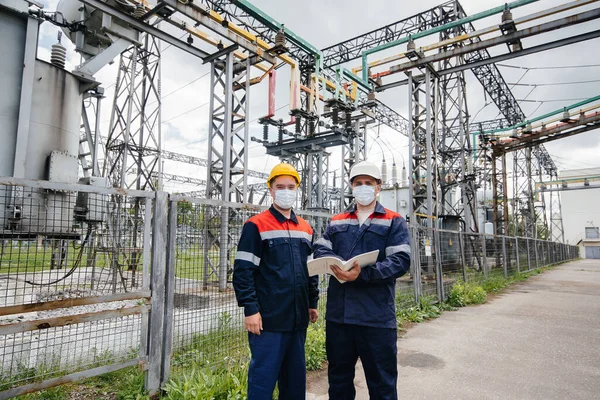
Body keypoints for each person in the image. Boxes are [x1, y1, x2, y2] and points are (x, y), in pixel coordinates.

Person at [313, 161, 411, 400]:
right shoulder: (337, 221)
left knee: (382, 384)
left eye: (369, 183)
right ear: (351, 187)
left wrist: (365, 273)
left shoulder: (393, 220)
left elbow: (400, 260)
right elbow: (321, 249)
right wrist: (333, 263)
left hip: (376, 318)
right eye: (359, 183)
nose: (363, 187)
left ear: (379, 187)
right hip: (340, 317)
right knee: (339, 381)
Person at [233, 163, 319, 400]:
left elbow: (311, 270)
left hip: (298, 318)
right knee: (262, 382)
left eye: (290, 187)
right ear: (271, 190)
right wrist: (250, 309)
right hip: (268, 321)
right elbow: (243, 271)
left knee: (294, 384)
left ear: (297, 190)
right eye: (280, 186)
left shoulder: (305, 228)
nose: (285, 190)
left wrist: (313, 302)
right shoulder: (256, 225)